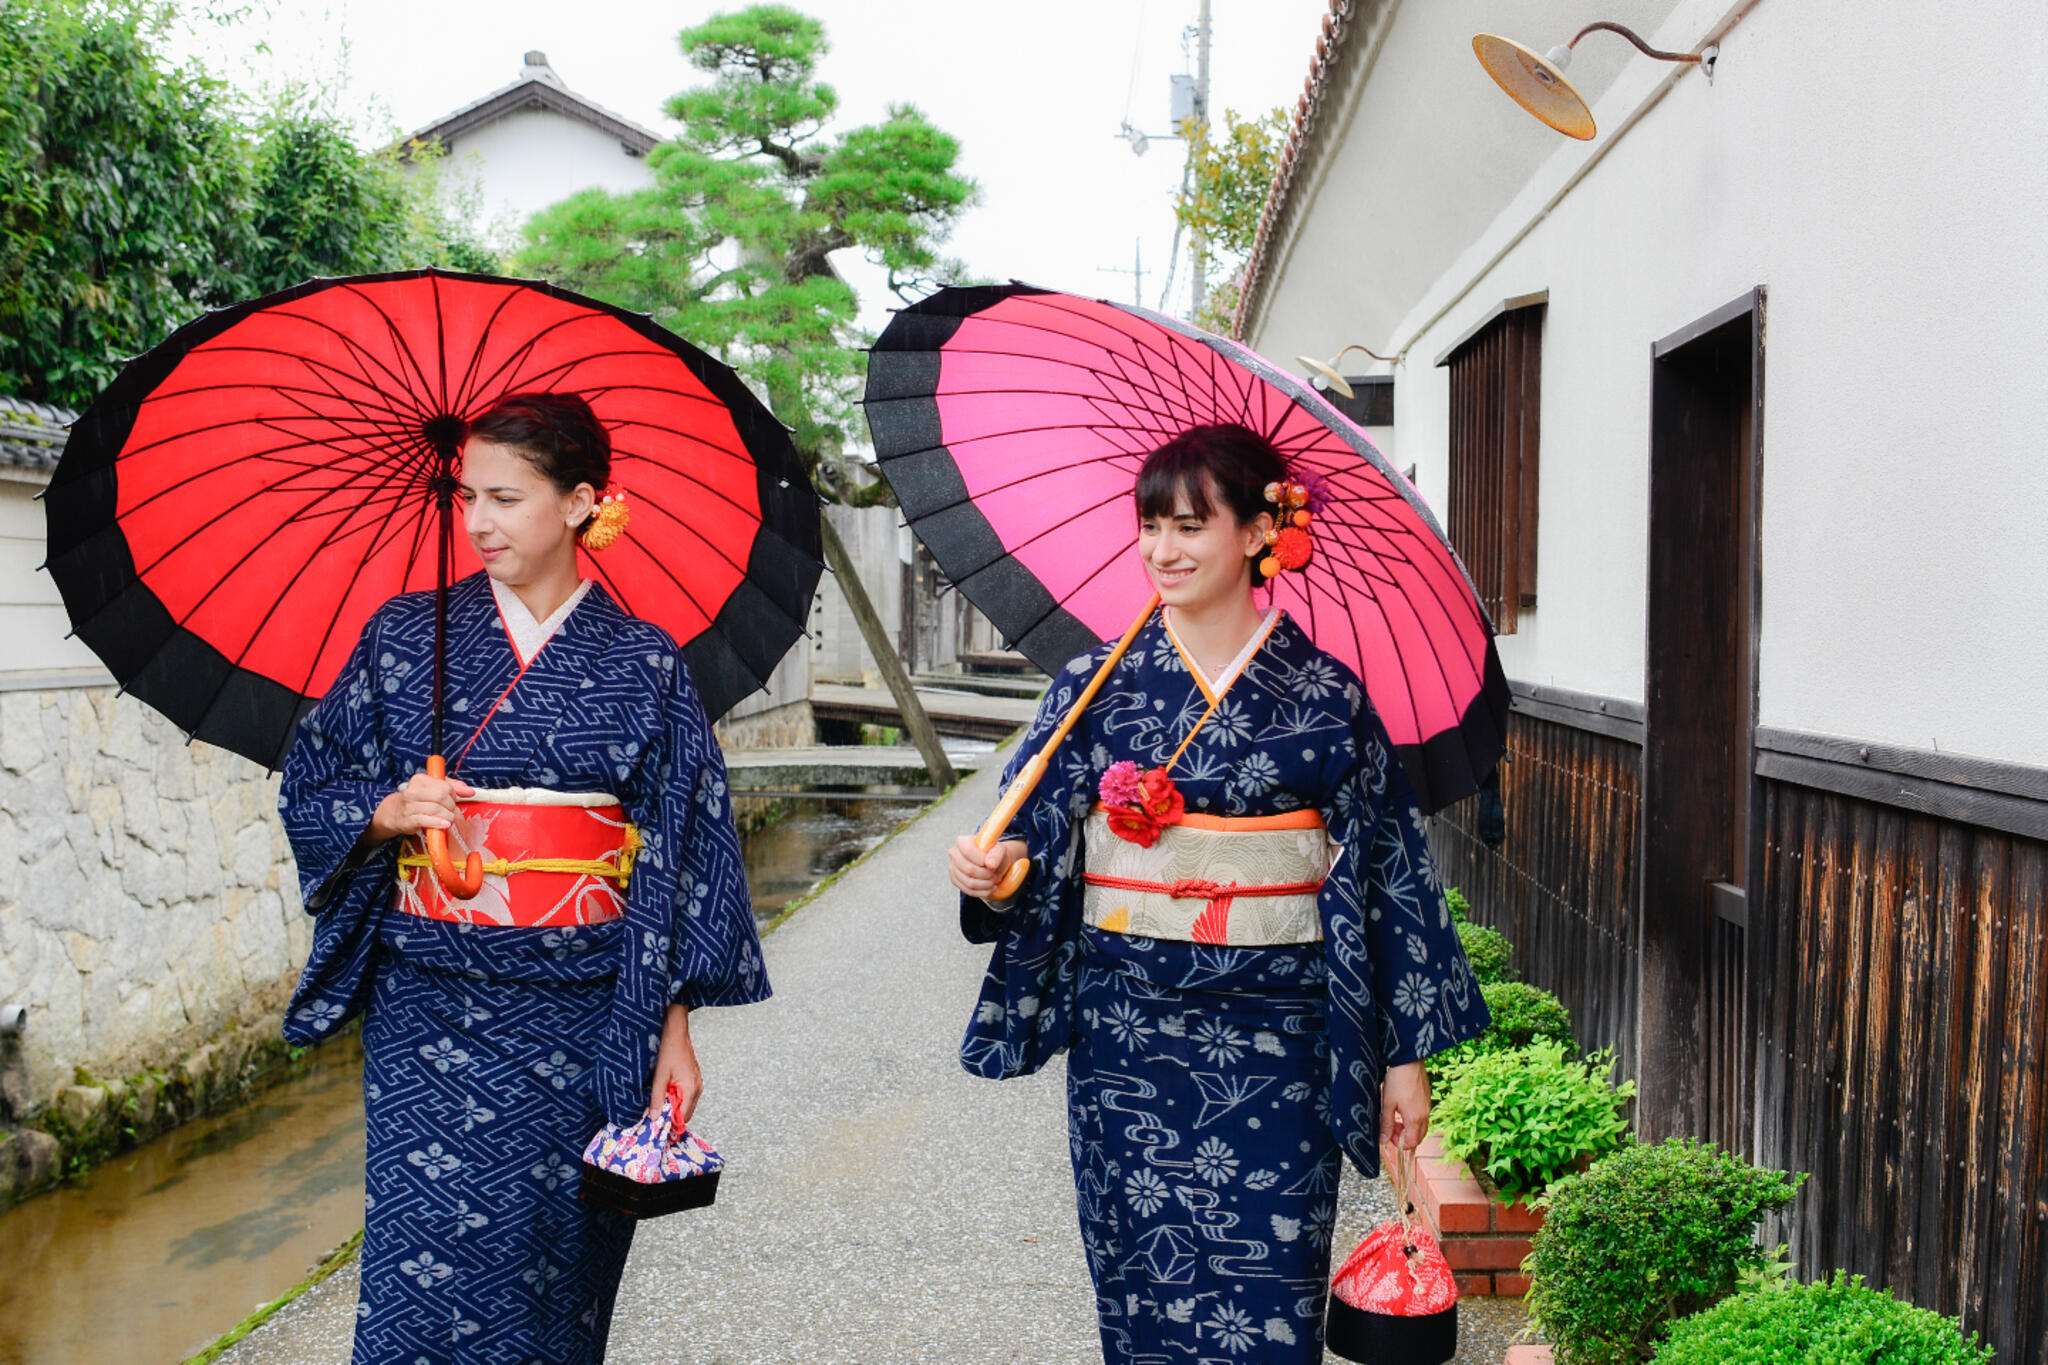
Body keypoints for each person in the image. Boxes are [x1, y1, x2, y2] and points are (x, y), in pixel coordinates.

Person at [947, 423, 1488, 1363]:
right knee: (1140, 1296)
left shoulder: (1327, 696)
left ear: (1256, 532)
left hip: (1280, 1044)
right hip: (1129, 1040)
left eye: (1191, 524)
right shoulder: (1096, 686)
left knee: (1271, 1303)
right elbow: (1030, 836)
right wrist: (997, 874)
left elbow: (1387, 876)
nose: (1163, 549)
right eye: (1150, 524)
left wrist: (1406, 1056)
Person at [279, 393, 767, 1364]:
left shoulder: (643, 664)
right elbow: (313, 776)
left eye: (505, 497)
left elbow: (679, 855)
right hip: (429, 1008)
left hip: (583, 1013)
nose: (479, 523)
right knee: (415, 1275)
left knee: (555, 1275)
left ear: (582, 501)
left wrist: (671, 1028)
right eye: (467, 498)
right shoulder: (403, 636)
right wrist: (385, 813)